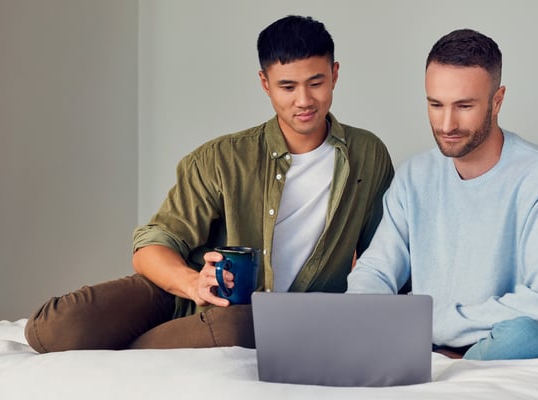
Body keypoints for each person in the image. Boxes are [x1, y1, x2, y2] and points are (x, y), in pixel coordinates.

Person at [25, 15, 394, 353]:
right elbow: (151, 246)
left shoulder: (367, 154)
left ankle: (129, 350)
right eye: (287, 86)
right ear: (265, 84)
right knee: (56, 329)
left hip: (257, 318)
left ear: (335, 74)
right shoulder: (221, 158)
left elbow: (384, 257)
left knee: (240, 326)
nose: (304, 100)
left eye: (316, 82)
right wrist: (192, 284)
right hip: (179, 295)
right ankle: (156, 338)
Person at [346, 28, 538, 367]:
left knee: (522, 338)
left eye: (464, 106)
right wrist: (361, 315)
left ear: (497, 101)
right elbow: (376, 270)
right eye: (435, 105)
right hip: (437, 340)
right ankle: (449, 362)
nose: (447, 123)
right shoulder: (414, 176)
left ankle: (449, 363)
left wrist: (428, 326)